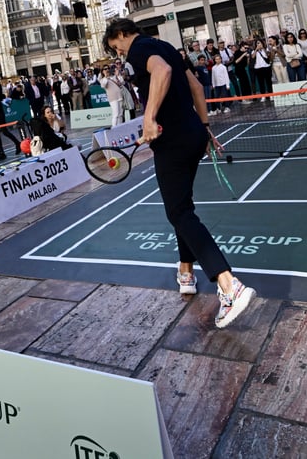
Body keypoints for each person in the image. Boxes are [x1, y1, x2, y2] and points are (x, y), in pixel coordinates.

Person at [102, 18, 256, 329]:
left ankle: (229, 285)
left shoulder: (139, 48)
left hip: (171, 140)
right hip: (193, 134)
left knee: (179, 212)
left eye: (116, 47)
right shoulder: (166, 46)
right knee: (182, 207)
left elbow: (163, 72)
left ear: (121, 34)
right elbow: (196, 87)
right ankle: (186, 270)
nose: (119, 53)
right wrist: (205, 127)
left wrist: (149, 118)